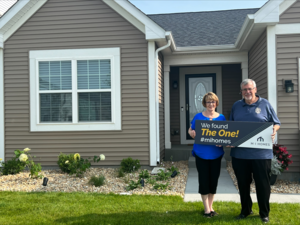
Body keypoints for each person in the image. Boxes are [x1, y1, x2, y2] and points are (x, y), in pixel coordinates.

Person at [229, 79, 280, 223]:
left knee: (262, 184)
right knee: (243, 184)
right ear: (241, 91)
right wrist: (229, 140)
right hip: (240, 154)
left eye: (250, 89)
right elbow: (231, 128)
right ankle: (246, 210)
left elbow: (276, 123)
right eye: (244, 90)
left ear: (255, 89)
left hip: (261, 154)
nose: (247, 92)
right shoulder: (236, 106)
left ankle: (264, 213)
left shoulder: (265, 104)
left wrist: (273, 131)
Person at [188, 92, 226, 218]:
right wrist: (191, 133)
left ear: (216, 103)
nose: (211, 104)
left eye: (213, 101)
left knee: (213, 181)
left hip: (216, 154)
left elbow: (225, 135)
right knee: (204, 180)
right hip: (201, 153)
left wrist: (222, 143)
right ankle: (206, 209)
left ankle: (211, 207)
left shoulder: (221, 118)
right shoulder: (198, 116)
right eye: (208, 102)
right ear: (205, 103)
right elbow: (190, 129)